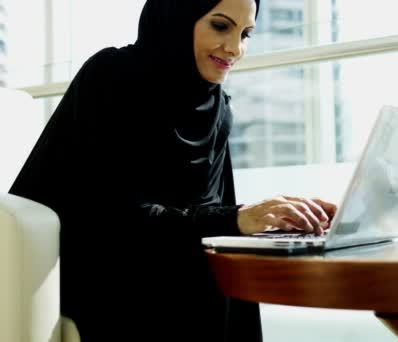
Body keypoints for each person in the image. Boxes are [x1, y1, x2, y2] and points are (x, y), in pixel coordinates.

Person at [9, 0, 336, 340]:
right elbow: (113, 220)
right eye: (221, 26)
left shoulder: (218, 109)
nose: (235, 49)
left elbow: (209, 215)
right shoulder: (112, 75)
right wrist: (235, 218)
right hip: (101, 263)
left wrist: (278, 222)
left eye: (246, 34)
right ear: (177, 18)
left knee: (220, 281)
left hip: (174, 259)